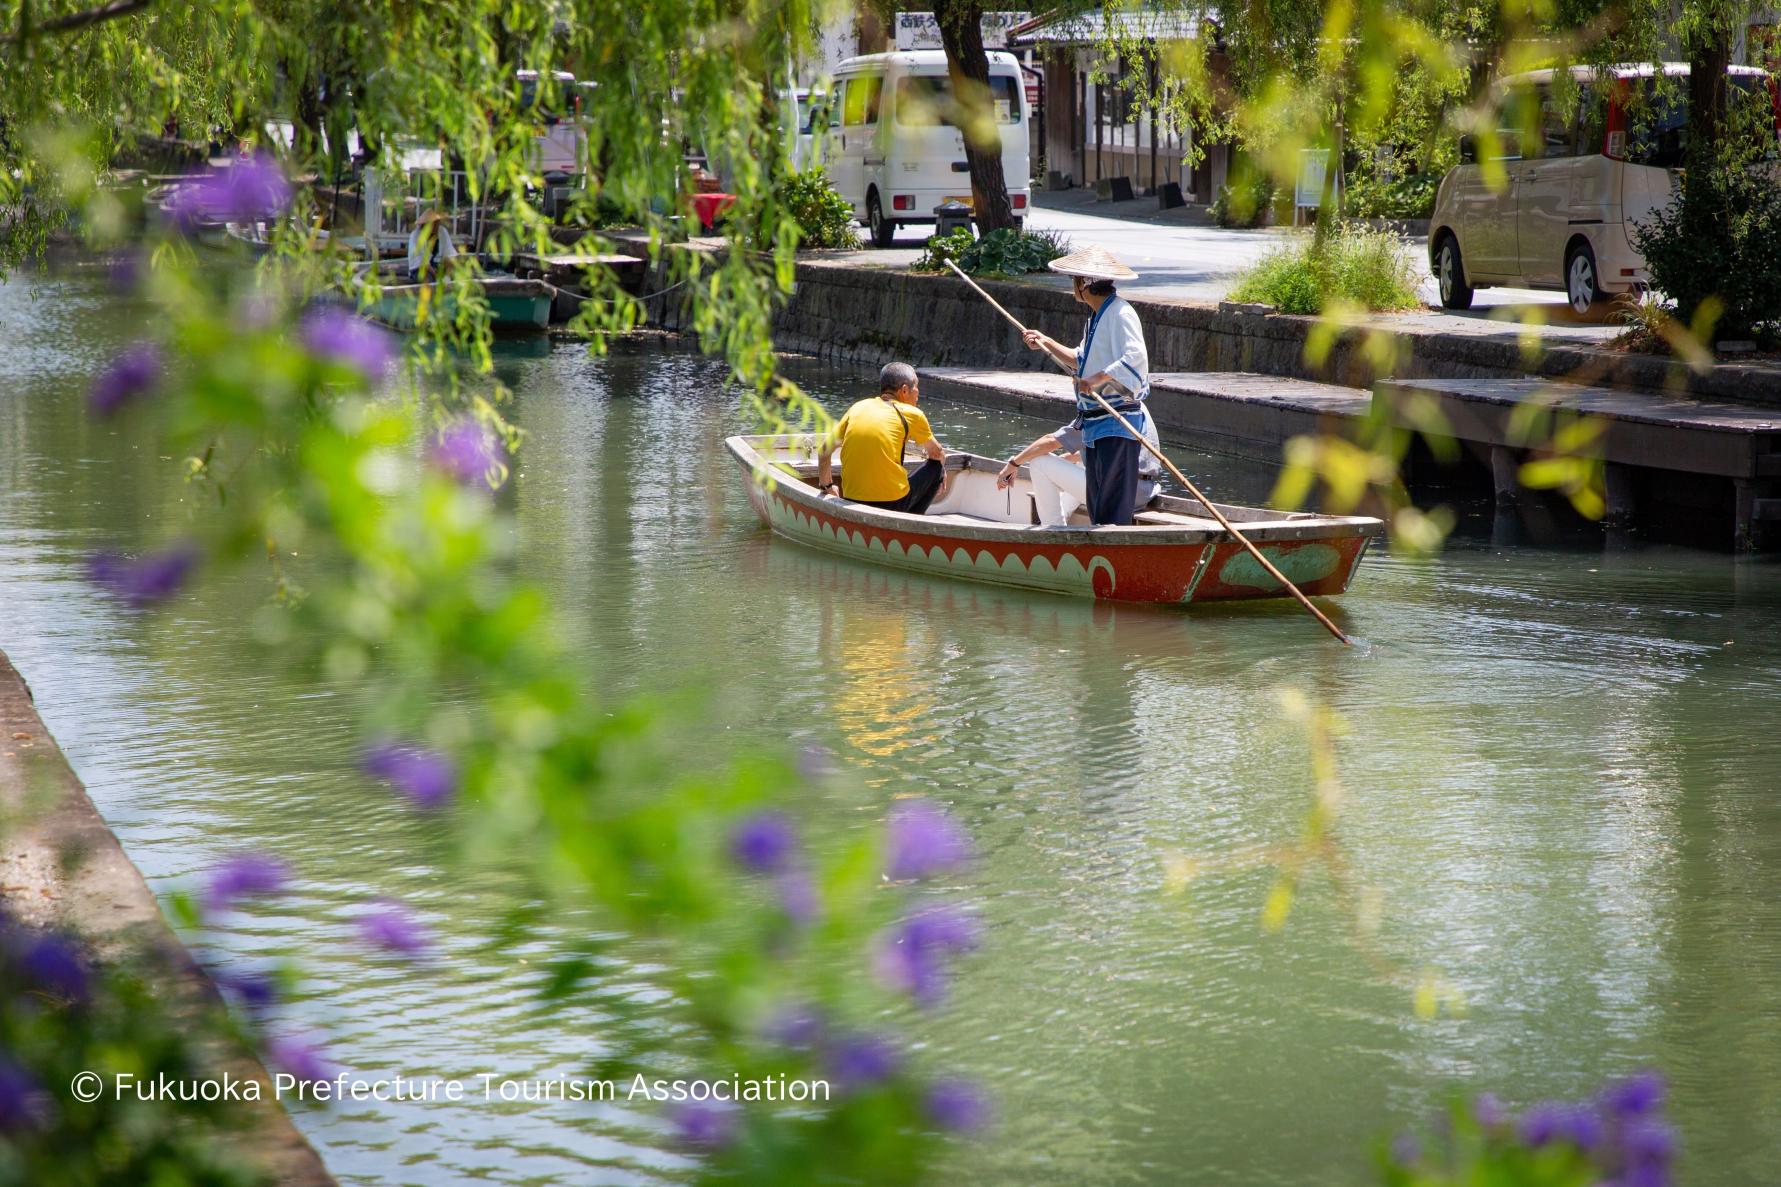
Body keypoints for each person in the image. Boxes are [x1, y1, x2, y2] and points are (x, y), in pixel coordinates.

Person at [1020, 245, 1151, 525]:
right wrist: (1046, 342)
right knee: (1098, 501)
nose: (1073, 286)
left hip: (1117, 423)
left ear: (1084, 283)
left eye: (1074, 281)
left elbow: (1135, 356)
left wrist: (1097, 379)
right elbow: (1081, 360)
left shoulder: (1120, 313)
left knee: (1110, 505)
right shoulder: (1095, 317)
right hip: (1095, 424)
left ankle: (1112, 555)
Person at [815, 362, 949, 514]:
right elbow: (937, 454)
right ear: (904, 390)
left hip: (851, 500)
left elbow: (824, 450)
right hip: (892, 504)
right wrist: (941, 471)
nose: (918, 394)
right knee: (936, 467)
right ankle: (911, 521)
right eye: (916, 388)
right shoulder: (913, 414)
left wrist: (827, 487)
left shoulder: (857, 407)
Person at [994, 414, 1162, 527]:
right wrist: (1064, 461)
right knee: (1082, 464)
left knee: (1039, 462)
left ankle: (1054, 532)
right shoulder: (1137, 408)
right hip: (1144, 493)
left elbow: (1050, 441)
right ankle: (1063, 514)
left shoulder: (1104, 409)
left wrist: (1014, 464)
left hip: (1117, 495)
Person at [406, 210, 459, 280]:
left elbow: (449, 254)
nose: (437, 225)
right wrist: (436, 276)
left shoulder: (442, 231)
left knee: (456, 276)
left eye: (437, 222)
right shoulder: (415, 236)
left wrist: (447, 274)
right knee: (428, 280)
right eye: (434, 223)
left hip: (437, 266)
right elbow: (421, 262)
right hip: (420, 268)